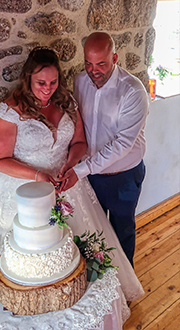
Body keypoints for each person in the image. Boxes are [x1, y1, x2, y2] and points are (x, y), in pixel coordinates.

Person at [0, 46, 144, 302]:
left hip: (68, 182)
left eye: (53, 81)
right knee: (38, 257)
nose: (47, 88)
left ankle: (91, 299)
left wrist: (71, 164)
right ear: (28, 78)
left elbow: (79, 142)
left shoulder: (67, 101)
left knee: (85, 246)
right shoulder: (10, 111)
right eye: (40, 82)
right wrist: (37, 175)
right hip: (27, 190)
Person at [59, 32, 149, 267]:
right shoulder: (79, 81)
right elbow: (79, 125)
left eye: (101, 63)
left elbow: (122, 144)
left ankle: (126, 285)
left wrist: (80, 170)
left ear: (115, 58)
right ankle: (103, 286)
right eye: (88, 63)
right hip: (90, 176)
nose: (93, 70)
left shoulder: (133, 92)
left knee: (122, 231)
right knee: (95, 231)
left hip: (123, 177)